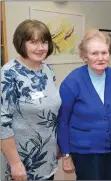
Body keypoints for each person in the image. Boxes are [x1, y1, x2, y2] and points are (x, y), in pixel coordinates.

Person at [57, 29, 111, 180]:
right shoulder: (72, 82)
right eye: (94, 53)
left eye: (104, 53)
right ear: (85, 56)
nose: (101, 58)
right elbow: (63, 121)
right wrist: (66, 155)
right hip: (85, 153)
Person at [1, 19, 60, 180]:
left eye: (44, 42)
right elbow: (2, 122)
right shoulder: (9, 73)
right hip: (22, 161)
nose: (40, 48)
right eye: (33, 42)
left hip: (47, 157)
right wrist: (15, 163)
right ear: (22, 43)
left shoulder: (47, 70)